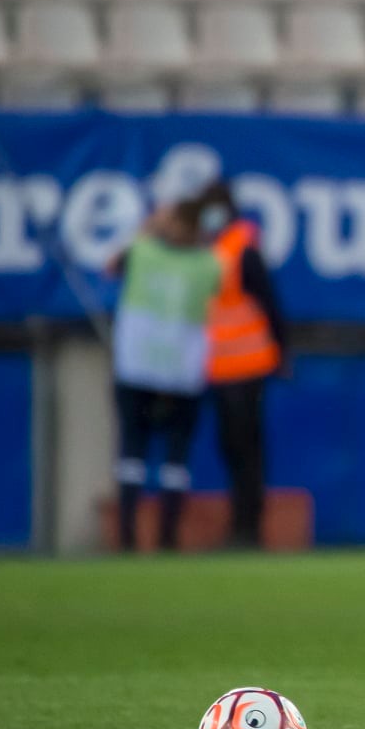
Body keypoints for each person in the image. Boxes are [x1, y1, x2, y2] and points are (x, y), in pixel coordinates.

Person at [108, 190, 224, 552]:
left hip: (137, 364)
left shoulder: (142, 250)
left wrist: (148, 227)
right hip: (182, 370)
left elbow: (110, 266)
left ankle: (127, 538)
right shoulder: (209, 263)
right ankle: (167, 538)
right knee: (176, 456)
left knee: (132, 450)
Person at [201, 182, 288, 549]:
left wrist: (282, 351)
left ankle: (248, 528)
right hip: (221, 366)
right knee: (232, 448)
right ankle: (240, 525)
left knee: (247, 449)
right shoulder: (215, 248)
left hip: (248, 363)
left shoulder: (241, 248)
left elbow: (269, 302)